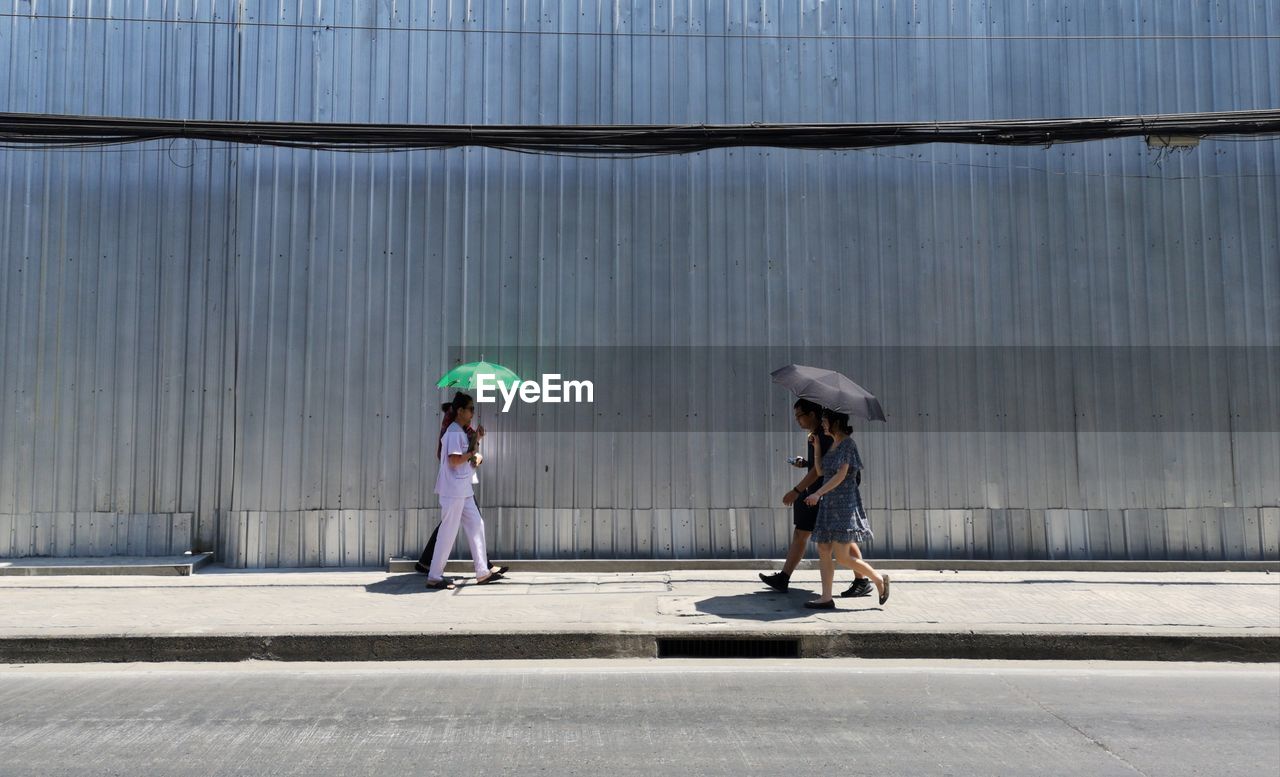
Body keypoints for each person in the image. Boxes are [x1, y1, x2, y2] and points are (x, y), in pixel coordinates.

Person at [759, 399, 872, 597]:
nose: (797, 421)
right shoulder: (817, 435)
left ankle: (864, 580)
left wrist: (797, 490)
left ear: (812, 414)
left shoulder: (825, 434)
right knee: (808, 534)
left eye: (799, 416)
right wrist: (806, 463)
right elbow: (821, 465)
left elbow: (824, 472)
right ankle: (785, 578)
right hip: (818, 492)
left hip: (825, 493)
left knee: (836, 537)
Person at [801, 407, 889, 609]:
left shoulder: (848, 444)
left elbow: (841, 476)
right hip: (829, 505)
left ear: (836, 422)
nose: (822, 425)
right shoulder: (833, 444)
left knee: (841, 556)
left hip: (843, 506)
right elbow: (823, 471)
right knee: (823, 548)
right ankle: (825, 597)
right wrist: (816, 448)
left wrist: (817, 493)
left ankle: (877, 579)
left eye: (824, 421)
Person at [425, 392, 506, 590]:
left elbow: (466, 454)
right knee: (448, 533)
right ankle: (434, 576)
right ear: (460, 411)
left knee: (477, 525)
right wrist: (471, 454)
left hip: (463, 488)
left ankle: (482, 572)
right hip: (453, 490)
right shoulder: (453, 431)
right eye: (470, 408)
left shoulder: (460, 430)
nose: (472, 412)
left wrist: (476, 439)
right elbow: (454, 461)